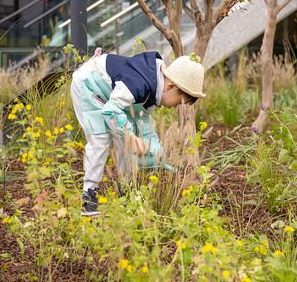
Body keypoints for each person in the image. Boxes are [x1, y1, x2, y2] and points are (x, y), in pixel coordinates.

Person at [70, 49, 206, 216]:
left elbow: (144, 123)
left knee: (123, 139)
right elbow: (110, 110)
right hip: (89, 85)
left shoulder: (155, 89)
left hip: (111, 96)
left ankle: (126, 188)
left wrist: (157, 153)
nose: (176, 107)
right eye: (179, 102)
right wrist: (130, 136)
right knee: (101, 139)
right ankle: (89, 196)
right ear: (171, 86)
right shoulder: (138, 83)